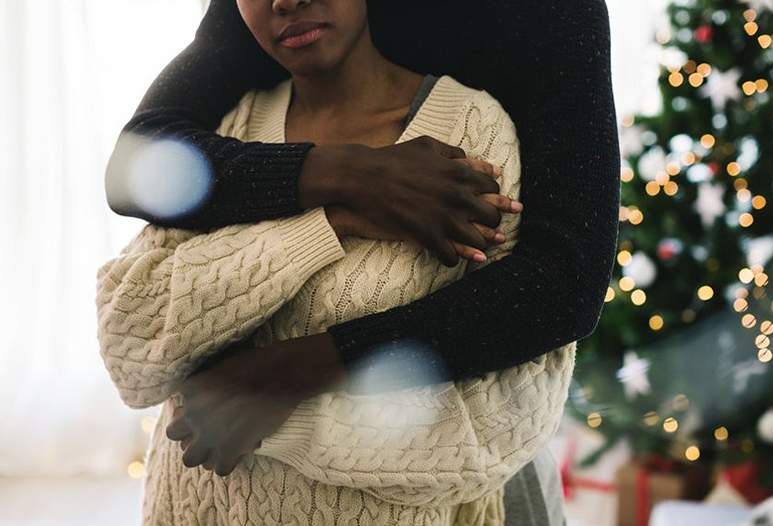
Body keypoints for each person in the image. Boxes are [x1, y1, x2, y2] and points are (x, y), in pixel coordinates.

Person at [103, 0, 620, 523]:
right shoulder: (237, 113)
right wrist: (350, 186)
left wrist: (288, 377)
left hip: (443, 463)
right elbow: (133, 177)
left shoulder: (516, 71)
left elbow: (561, 288)